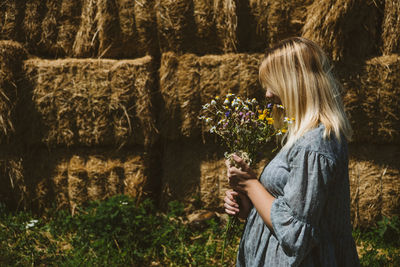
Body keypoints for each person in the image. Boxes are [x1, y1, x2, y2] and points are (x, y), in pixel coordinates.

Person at [224, 37, 360, 266]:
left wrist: (251, 184)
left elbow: (295, 234)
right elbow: (296, 213)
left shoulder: (314, 145)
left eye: (272, 84)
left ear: (295, 83)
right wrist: (251, 208)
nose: (267, 94)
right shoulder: (305, 139)